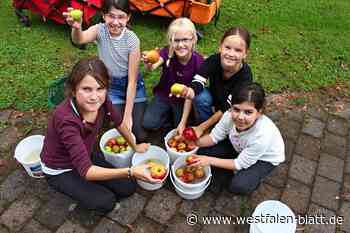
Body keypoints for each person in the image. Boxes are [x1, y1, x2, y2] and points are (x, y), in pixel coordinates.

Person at [40, 57, 160, 213]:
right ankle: (72, 186)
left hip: (83, 154)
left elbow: (119, 124)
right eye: (86, 89)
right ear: (74, 90)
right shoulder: (66, 120)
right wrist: (130, 171)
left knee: (128, 187)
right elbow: (87, 171)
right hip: (61, 169)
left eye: (100, 88)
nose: (94, 97)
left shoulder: (102, 101)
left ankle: (89, 186)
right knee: (106, 201)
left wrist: (134, 146)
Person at [64, 0, 147, 142]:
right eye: (111, 16)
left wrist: (128, 116)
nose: (115, 22)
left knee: (139, 133)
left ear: (128, 17)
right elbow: (80, 39)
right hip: (112, 86)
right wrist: (77, 28)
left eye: (121, 17)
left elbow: (132, 81)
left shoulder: (132, 40)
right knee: (117, 126)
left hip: (133, 86)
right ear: (103, 15)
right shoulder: (100, 30)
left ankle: (125, 112)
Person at [190, 83, 285, 195]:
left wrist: (209, 160)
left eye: (248, 112)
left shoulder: (262, 136)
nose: (240, 117)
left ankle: (254, 174)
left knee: (238, 186)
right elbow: (214, 136)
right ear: (231, 107)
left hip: (264, 159)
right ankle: (234, 157)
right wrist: (196, 142)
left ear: (259, 113)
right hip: (239, 144)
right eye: (236, 109)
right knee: (201, 151)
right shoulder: (228, 116)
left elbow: (239, 164)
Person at [178, 26, 253, 137]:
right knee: (200, 96)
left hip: (232, 110)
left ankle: (211, 129)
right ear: (220, 47)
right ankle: (207, 126)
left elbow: (227, 107)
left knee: (231, 119)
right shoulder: (213, 60)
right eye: (227, 47)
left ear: (245, 54)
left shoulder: (245, 76)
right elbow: (196, 84)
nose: (231, 54)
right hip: (215, 99)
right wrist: (182, 122)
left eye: (238, 50)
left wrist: (201, 128)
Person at [142, 18, 204, 134]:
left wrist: (182, 122)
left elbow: (190, 95)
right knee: (148, 123)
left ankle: (172, 118)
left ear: (193, 40)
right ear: (171, 41)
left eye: (185, 40)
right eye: (176, 40)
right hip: (164, 94)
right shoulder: (167, 52)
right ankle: (167, 117)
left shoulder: (199, 62)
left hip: (183, 100)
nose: (180, 45)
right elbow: (154, 66)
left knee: (179, 127)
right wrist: (149, 63)